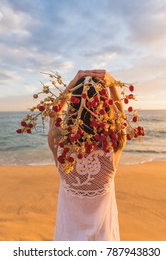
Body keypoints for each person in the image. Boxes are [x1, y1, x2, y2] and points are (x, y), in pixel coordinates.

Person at [48, 69, 126, 241]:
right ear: (104, 106)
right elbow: (121, 118)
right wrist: (112, 85)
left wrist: (74, 83)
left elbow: (54, 114)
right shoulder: (112, 148)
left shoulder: (62, 150)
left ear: (73, 105)